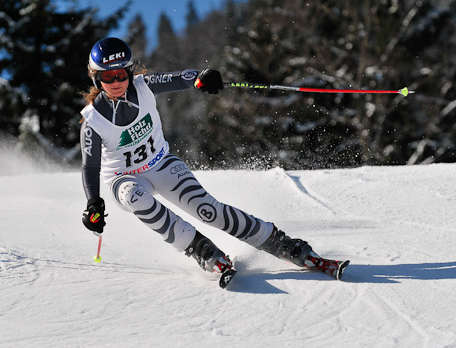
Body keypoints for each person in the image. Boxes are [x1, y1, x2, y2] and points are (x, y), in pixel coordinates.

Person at [79, 37, 322, 278]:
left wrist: (201, 77)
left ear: (130, 72)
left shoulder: (143, 86)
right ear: (96, 78)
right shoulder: (93, 121)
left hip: (160, 163)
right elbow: (90, 168)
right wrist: (93, 203)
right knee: (136, 198)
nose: (116, 82)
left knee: (208, 210)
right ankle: (201, 249)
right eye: (108, 77)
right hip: (123, 179)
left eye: (121, 74)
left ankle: (281, 243)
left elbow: (179, 78)